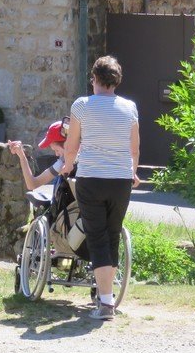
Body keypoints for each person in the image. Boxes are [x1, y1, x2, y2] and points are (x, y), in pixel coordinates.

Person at [62, 56, 140, 321]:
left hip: (92, 177)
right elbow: (134, 149)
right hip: (120, 180)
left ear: (94, 78)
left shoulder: (82, 105)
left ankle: (105, 304)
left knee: (96, 237)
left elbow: (71, 145)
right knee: (113, 234)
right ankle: (107, 297)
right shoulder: (129, 108)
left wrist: (67, 165)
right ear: (116, 80)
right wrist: (134, 172)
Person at [8, 118, 69, 190]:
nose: (56, 154)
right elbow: (32, 184)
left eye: (57, 150)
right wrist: (22, 156)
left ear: (67, 144)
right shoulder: (61, 162)